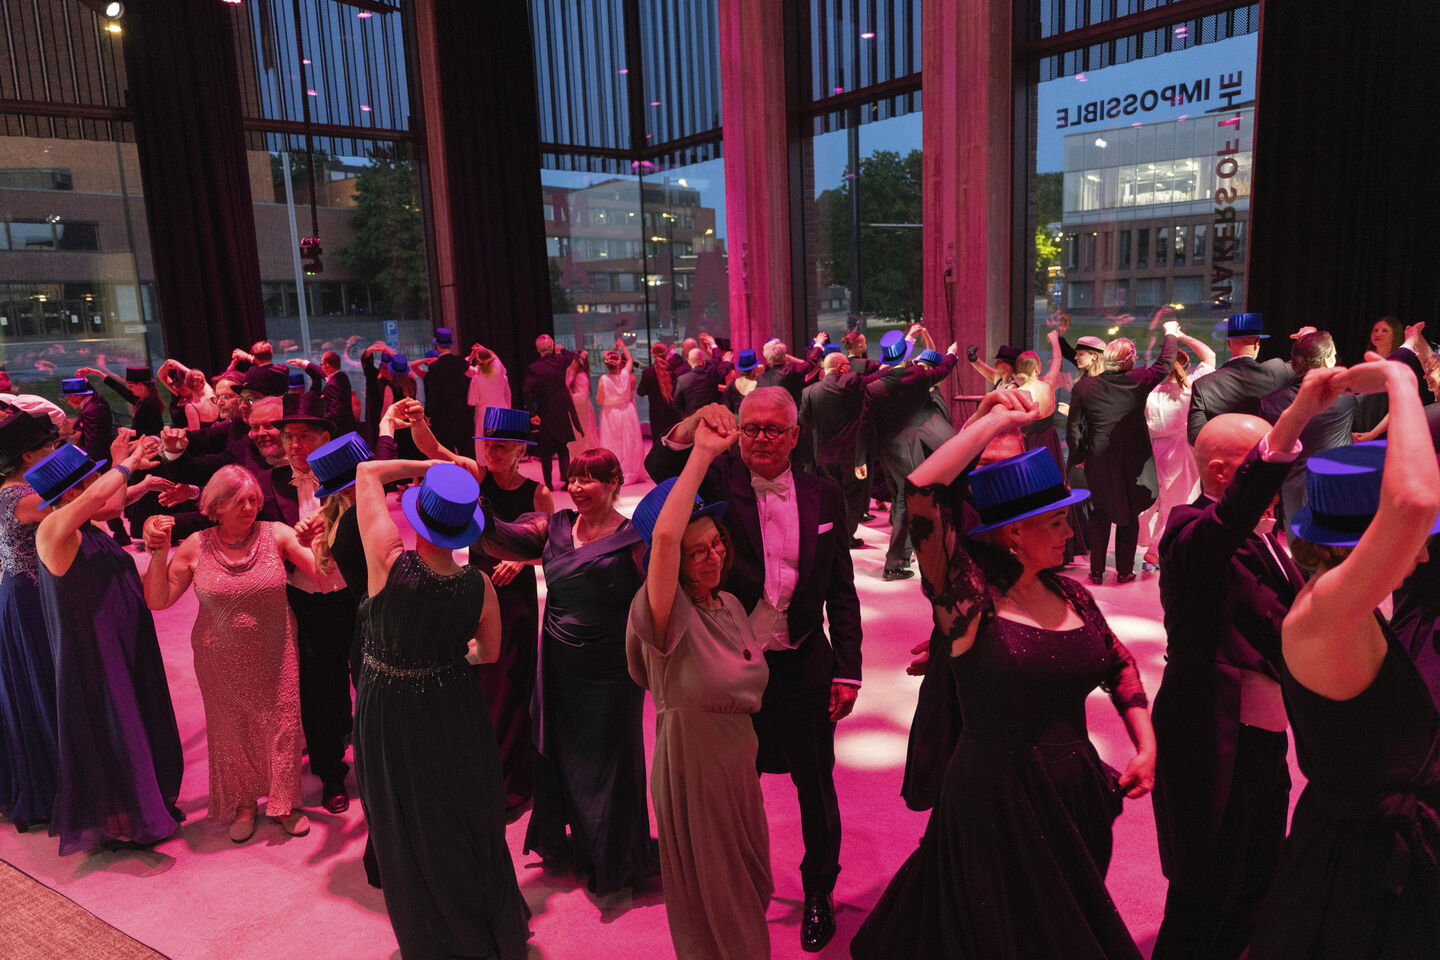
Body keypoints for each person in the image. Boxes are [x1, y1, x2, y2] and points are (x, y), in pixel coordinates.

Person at [852, 391, 1154, 959]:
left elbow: (1118, 663)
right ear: (1014, 532)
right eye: (1058, 522)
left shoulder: (1071, 594)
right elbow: (921, 493)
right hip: (998, 800)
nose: (1071, 533)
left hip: (1077, 795)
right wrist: (990, 423)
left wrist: (1146, 742)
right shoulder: (968, 601)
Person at [645, 388, 863, 952]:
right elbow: (659, 466)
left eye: (772, 430)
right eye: (751, 429)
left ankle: (819, 890)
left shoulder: (825, 495)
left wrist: (848, 669)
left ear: (795, 436)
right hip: (731, 667)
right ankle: (738, 887)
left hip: (805, 660)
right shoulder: (719, 482)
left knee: (815, 786)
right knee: (736, 787)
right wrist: (692, 425)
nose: (760, 439)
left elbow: (842, 589)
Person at [1246, 356, 1440, 960]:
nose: (1422, 556)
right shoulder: (1325, 612)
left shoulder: (1343, 607)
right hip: (1362, 870)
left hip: (1376, 849)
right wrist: (1401, 380)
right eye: (1412, 545)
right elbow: (1414, 502)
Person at [1149, 369, 1346, 960]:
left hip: (1265, 738)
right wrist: (1299, 413)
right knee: (1205, 888)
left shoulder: (1267, 536)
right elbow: (1230, 519)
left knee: (1259, 878)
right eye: (1262, 468)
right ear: (1221, 473)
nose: (1278, 483)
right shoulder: (1187, 530)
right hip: (1212, 737)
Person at [353, 457, 530, 960]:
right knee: (461, 815)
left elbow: (366, 475)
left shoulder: (388, 560)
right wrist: (442, 658)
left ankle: (432, 939)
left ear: (419, 518)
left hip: (388, 707)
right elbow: (488, 654)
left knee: (402, 819)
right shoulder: (480, 586)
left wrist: (430, 462)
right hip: (454, 705)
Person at [479, 446, 659, 895]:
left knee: (610, 765)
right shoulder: (553, 527)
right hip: (559, 665)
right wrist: (469, 500)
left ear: (614, 483)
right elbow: (497, 538)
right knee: (565, 756)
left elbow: (660, 600)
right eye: (573, 479)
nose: (576, 488)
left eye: (588, 479)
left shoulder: (634, 539)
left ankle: (613, 860)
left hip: (613, 673)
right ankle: (579, 844)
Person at [627, 458, 773, 960]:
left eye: (717, 543)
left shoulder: (728, 603)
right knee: (721, 896)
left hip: (737, 764)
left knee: (750, 883)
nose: (713, 556)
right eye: (696, 553)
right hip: (695, 765)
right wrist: (702, 455)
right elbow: (666, 540)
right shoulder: (665, 613)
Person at [141, 466, 314, 841]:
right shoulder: (196, 545)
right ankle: (244, 803)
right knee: (231, 728)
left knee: (282, 724)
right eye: (238, 501)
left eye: (253, 499)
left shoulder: (276, 534)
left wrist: (319, 535)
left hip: (275, 650)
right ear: (216, 506)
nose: (249, 508)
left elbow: (320, 570)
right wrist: (158, 553)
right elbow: (158, 599)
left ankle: (285, 803)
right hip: (218, 656)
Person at [30, 434, 184, 854]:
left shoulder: (88, 526)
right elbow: (99, 496)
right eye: (89, 480)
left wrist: (137, 483)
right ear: (73, 492)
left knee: (138, 719)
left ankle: (143, 808)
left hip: (126, 640)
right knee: (118, 728)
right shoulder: (52, 530)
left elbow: (109, 507)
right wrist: (128, 461)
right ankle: (129, 820)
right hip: (96, 652)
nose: (98, 484)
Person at [405, 402, 552, 818]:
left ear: (522, 450)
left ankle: (512, 781)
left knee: (514, 682)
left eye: (501, 446)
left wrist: (520, 560)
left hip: (516, 598)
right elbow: (433, 449)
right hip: (476, 591)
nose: (492, 452)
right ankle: (481, 775)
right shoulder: (477, 476)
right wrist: (417, 419)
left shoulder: (538, 493)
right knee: (482, 684)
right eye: (488, 444)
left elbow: (552, 547)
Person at [267, 392, 355, 816]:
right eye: (288, 436)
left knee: (369, 680)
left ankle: (375, 757)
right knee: (318, 690)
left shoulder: (350, 477)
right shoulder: (269, 484)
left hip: (356, 594)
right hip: (304, 600)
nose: (295, 445)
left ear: (325, 439)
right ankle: (331, 774)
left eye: (304, 436)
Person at [1067, 323, 1178, 584]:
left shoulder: (1085, 387)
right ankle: (1125, 571)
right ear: (1130, 360)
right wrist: (1171, 332)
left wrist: (1080, 456)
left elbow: (1074, 427)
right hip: (1134, 459)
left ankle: (1096, 571)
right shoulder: (1138, 380)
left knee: (1099, 511)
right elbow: (1165, 363)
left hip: (1098, 457)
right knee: (1130, 512)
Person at [0, 409, 61, 832]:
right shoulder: (17, 497)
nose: (54, 451)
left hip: (28, 593)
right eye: (49, 446)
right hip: (26, 598)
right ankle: (52, 785)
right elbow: (78, 507)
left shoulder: (22, 488)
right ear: (28, 456)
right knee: (41, 681)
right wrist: (123, 466)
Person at [864, 327, 961, 581]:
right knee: (905, 502)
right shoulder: (916, 375)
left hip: (888, 450)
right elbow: (942, 369)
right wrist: (952, 354)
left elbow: (865, 424)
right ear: (905, 355)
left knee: (901, 500)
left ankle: (903, 556)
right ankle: (893, 564)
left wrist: (860, 460)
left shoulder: (873, 386)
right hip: (911, 446)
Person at [1259, 330, 1357, 527]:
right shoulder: (1346, 398)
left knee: (1300, 546)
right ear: (1327, 361)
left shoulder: (1269, 403)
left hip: (1295, 494)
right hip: (1340, 488)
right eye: (1334, 355)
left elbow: (1268, 456)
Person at [1137, 329, 1217, 566]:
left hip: (1152, 452)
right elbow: (1210, 356)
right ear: (1185, 366)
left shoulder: (1150, 392)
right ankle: (1157, 549)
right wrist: (1180, 335)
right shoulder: (1190, 387)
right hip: (1180, 453)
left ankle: (1148, 542)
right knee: (1177, 504)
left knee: (1152, 502)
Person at [1186, 312, 1294, 443]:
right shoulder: (1278, 370)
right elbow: (1308, 364)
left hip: (1225, 454)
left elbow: (1196, 437)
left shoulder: (1203, 385)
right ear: (1257, 343)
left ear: (1229, 344)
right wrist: (1306, 337)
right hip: (1267, 453)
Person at [524, 334, 583, 489]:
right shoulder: (560, 360)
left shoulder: (534, 368)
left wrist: (532, 413)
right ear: (551, 347)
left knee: (546, 450)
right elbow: (571, 356)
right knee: (563, 446)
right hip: (561, 409)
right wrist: (561, 349)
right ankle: (566, 480)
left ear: (538, 349)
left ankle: (548, 483)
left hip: (545, 411)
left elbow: (526, 392)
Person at [421, 327, 475, 460]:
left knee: (446, 457)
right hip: (464, 415)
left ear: (437, 346)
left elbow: (433, 394)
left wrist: (428, 415)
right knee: (467, 455)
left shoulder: (435, 367)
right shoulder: (462, 363)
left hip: (443, 418)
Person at [597, 338, 644, 483]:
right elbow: (629, 359)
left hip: (610, 413)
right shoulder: (625, 375)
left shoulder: (604, 379)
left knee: (612, 442)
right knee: (629, 441)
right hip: (627, 411)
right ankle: (630, 472)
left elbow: (599, 400)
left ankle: (614, 473)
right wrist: (621, 345)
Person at [466, 342, 512, 442]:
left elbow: (472, 401)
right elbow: (496, 360)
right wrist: (485, 350)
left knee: (487, 444)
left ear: (478, 362)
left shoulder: (476, 379)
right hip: (501, 412)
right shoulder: (500, 373)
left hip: (485, 414)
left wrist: (470, 357)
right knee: (503, 443)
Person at [637, 342, 682, 441]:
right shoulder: (674, 369)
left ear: (652, 354)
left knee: (659, 441)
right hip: (674, 411)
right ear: (666, 353)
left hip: (656, 414)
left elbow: (640, 392)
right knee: (674, 439)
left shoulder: (648, 373)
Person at [565, 350, 597, 462]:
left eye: (573, 360)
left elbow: (582, 396)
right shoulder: (571, 372)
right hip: (575, 409)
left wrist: (567, 395)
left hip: (582, 410)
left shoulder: (581, 376)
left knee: (584, 436)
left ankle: (586, 461)